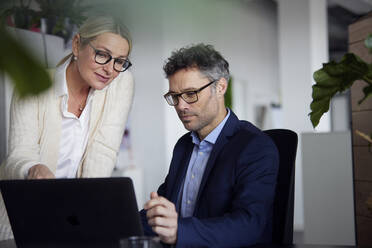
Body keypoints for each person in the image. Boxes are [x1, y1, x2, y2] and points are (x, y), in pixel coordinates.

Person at [0, 15, 134, 239]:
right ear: (76, 45)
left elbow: (103, 152)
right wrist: (33, 168)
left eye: (120, 61)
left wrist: (85, 221)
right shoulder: (35, 85)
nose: (110, 69)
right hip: (21, 218)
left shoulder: (121, 83)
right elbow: (18, 154)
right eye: (102, 55)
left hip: (73, 218)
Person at [141, 44, 279, 247]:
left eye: (190, 94)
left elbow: (249, 224)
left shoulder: (255, 147)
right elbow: (164, 208)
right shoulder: (184, 146)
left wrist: (180, 232)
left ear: (220, 87)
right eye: (175, 96)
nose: (181, 106)